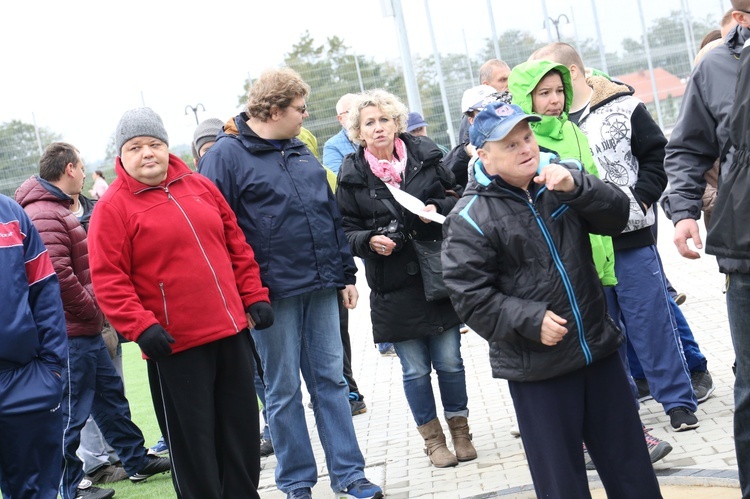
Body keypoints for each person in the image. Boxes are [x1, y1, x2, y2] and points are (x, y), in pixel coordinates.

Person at [442, 101, 661, 498]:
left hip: (598, 350)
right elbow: (469, 297)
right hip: (538, 369)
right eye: (510, 145)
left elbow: (616, 217)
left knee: (632, 470)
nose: (526, 148)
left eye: (527, 137)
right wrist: (529, 319)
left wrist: (579, 187)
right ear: (485, 158)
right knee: (562, 483)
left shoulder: (560, 181)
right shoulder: (468, 217)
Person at [199, 68, 382, 499]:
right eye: (299, 109)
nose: (304, 116)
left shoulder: (300, 150)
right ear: (275, 109)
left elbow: (327, 214)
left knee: (332, 383)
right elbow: (215, 232)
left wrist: (345, 274)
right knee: (282, 391)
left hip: (321, 287)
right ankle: (297, 482)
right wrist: (244, 295)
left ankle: (350, 475)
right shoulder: (224, 156)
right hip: (270, 296)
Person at [86, 108, 273, 499]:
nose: (147, 153)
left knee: (240, 431)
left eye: (154, 144)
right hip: (175, 345)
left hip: (230, 332)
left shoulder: (199, 186)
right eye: (135, 147)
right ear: (122, 156)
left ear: (167, 146)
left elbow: (236, 245)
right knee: (194, 444)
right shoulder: (113, 207)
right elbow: (109, 278)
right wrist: (141, 326)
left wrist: (253, 296)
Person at [531, 43, 711, 430]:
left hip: (631, 237)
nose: (551, 97)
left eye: (555, 87)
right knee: (605, 332)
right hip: (582, 248)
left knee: (653, 322)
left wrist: (640, 200)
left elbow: (657, 157)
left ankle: (679, 401)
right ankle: (624, 412)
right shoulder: (541, 128)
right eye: (543, 91)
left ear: (572, 74)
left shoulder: (624, 106)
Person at [15, 142, 172, 499]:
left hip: (83, 327)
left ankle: (135, 460)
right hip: (69, 330)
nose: (86, 173)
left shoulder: (52, 208)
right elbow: (56, 273)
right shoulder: (43, 212)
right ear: (69, 169)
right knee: (70, 411)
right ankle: (67, 487)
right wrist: (93, 309)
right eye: (82, 167)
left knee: (109, 397)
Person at [336, 89, 475, 469]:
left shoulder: (426, 154)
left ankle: (461, 432)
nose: (378, 127)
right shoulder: (350, 175)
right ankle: (433, 442)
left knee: (450, 360)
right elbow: (345, 231)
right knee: (414, 368)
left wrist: (437, 207)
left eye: (384, 119)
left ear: (396, 122)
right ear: (358, 132)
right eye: (369, 123)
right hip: (392, 283)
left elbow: (458, 194)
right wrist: (369, 240)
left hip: (436, 272)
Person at [662, 3, 750, 495]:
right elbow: (687, 146)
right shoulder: (715, 65)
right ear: (741, 16)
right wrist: (684, 211)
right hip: (745, 249)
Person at [0, 194, 67, 499]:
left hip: (23, 378)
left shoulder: (10, 213)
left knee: (36, 492)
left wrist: (51, 367)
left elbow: (44, 291)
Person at [456, 59, 512, 148]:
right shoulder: (473, 115)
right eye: (503, 79)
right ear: (486, 85)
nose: (509, 83)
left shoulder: (514, 105)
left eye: (511, 78)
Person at [323, 93, 359, 173]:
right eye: (350, 111)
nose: (357, 114)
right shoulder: (332, 146)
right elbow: (337, 180)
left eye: (360, 109)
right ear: (340, 118)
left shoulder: (377, 134)